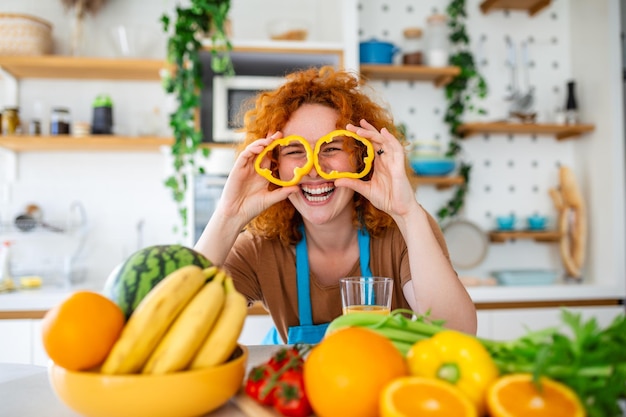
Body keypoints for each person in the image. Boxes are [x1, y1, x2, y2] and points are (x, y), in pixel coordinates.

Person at [194, 66, 476, 344]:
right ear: (274, 165)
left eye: (331, 148)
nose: (314, 169)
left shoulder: (406, 232)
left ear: (361, 156)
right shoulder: (259, 248)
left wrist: (407, 213)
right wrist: (228, 216)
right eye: (295, 151)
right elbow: (176, 321)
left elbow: (455, 334)